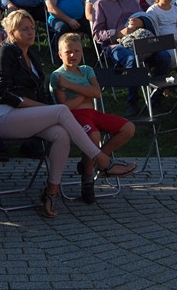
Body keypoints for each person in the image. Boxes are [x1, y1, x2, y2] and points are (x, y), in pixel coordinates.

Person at [0, 10, 136, 217]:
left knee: (61, 135)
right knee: (62, 110)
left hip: (25, 116)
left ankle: (51, 192)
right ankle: (103, 162)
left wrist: (44, 108)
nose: (31, 33)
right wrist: (44, 109)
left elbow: (42, 95)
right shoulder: (5, 53)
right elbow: (5, 93)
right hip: (2, 115)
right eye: (24, 29)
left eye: (32, 28)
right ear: (11, 32)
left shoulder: (32, 57)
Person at [50, 32, 135, 204]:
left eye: (77, 51)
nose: (73, 55)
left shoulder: (87, 70)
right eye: (68, 52)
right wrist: (85, 93)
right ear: (60, 54)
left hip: (93, 114)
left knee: (128, 128)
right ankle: (88, 181)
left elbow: (97, 92)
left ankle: (95, 161)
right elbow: (64, 107)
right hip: (74, 116)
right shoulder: (57, 76)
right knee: (94, 136)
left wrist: (71, 87)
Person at [92, 0, 171, 112]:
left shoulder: (132, 2)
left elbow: (146, 20)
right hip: (115, 45)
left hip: (139, 39)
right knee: (131, 60)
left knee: (164, 56)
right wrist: (118, 33)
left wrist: (141, 22)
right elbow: (97, 34)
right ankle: (133, 101)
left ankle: (156, 97)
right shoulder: (100, 5)